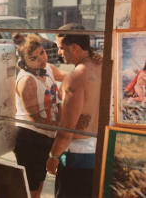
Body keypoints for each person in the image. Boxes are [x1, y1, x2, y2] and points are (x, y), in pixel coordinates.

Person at [46, 23, 103, 198]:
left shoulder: (75, 78)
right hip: (99, 150)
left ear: (76, 48)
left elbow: (67, 130)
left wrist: (53, 156)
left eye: (62, 48)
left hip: (76, 157)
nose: (59, 53)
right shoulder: (101, 65)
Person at [13, 33, 67, 198]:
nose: (42, 60)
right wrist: (65, 126)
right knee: (32, 189)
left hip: (46, 135)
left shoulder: (48, 68)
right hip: (30, 138)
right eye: (34, 58)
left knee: (41, 181)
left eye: (42, 53)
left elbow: (70, 77)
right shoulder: (26, 81)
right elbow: (35, 120)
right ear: (23, 62)